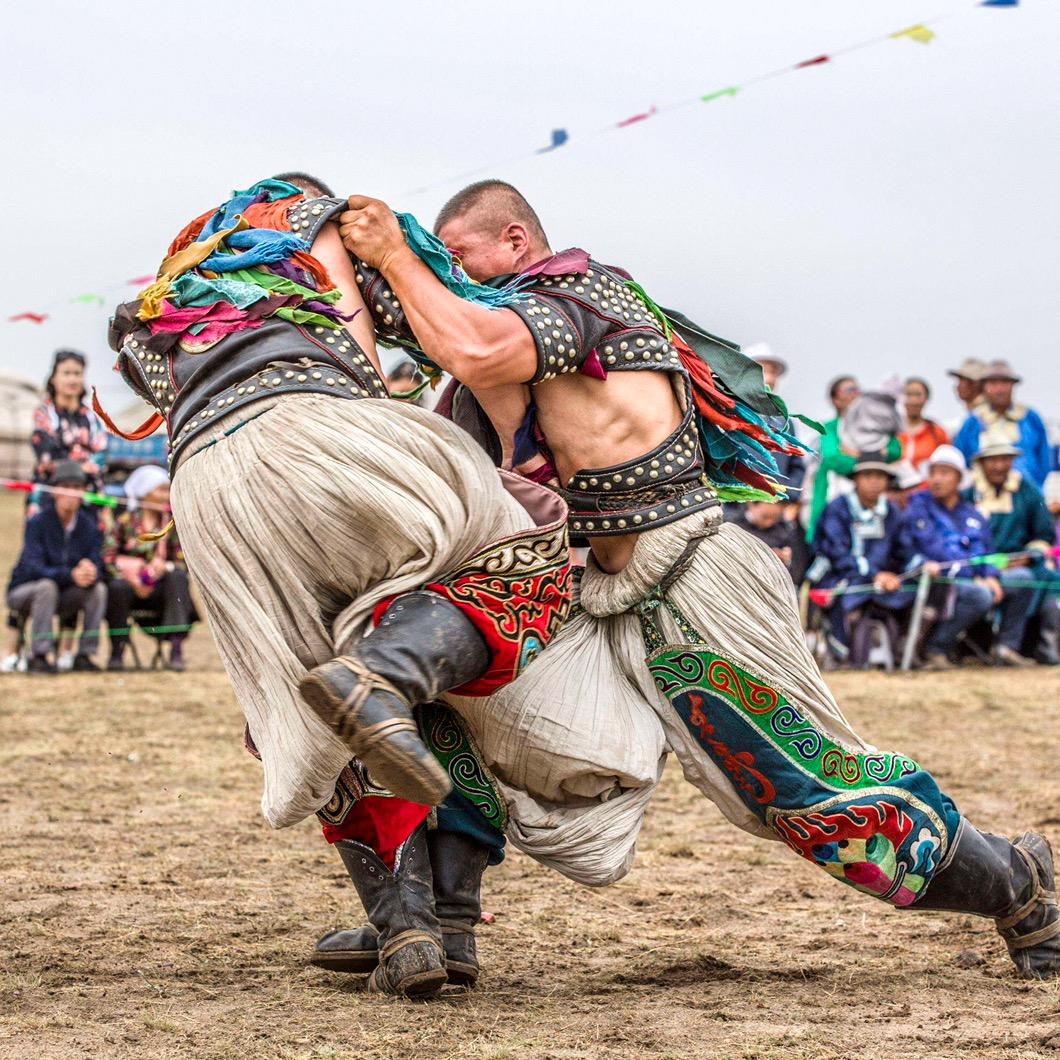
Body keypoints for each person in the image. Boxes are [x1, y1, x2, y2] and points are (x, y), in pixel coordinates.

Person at [329, 180, 1060, 980]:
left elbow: (473, 342)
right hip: (592, 593)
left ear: (514, 241)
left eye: (460, 254)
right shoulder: (490, 348)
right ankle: (438, 924)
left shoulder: (581, 295)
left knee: (808, 795)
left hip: (692, 577)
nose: (450, 272)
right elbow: (424, 343)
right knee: (434, 688)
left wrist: (396, 254)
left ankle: (1020, 886)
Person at [106, 178, 576, 997]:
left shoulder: (170, 287)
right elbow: (365, 363)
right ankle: (389, 679)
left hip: (208, 491)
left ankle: (410, 932)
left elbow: (150, 378)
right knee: (528, 529)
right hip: (320, 433)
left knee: (302, 693)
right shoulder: (311, 222)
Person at [903, 445, 1008, 668]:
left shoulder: (972, 513)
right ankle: (935, 648)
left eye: (944, 473)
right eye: (933, 473)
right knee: (980, 596)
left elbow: (987, 550)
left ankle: (1006, 648)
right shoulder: (918, 505)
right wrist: (974, 576)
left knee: (1023, 581)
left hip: (971, 579)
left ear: (959, 479)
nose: (936, 479)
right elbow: (934, 549)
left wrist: (990, 574)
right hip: (935, 580)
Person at [6, 460, 106, 673]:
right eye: (66, 487)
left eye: (77, 487)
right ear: (54, 491)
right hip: (25, 591)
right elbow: (32, 568)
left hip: (65, 594)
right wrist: (71, 575)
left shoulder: (88, 525)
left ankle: (85, 654)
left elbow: (98, 560)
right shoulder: (38, 522)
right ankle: (39, 655)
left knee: (98, 590)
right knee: (46, 586)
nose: (71, 493)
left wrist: (91, 570)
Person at [811, 454, 911, 664]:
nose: (874, 481)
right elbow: (835, 552)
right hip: (841, 576)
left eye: (880, 476)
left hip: (886, 581)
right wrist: (875, 574)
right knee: (848, 601)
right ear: (855, 479)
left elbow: (903, 550)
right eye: (867, 475)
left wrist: (897, 575)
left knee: (917, 594)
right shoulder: (837, 508)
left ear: (887, 481)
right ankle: (844, 651)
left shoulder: (892, 511)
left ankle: (905, 652)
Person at [965, 439, 1057, 666]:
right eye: (992, 460)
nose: (998, 466)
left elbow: (1044, 534)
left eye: (1004, 459)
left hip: (1021, 563)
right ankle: (976, 645)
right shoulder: (969, 495)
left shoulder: (1028, 492)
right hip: (977, 566)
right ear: (982, 463)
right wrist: (985, 567)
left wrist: (1026, 557)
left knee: (1047, 581)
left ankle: (1037, 646)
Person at [103, 464, 194, 672]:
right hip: (129, 589)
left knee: (178, 579)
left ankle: (176, 651)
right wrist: (131, 578)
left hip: (161, 591)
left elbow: (183, 561)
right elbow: (108, 558)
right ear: (145, 493)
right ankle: (116, 652)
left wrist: (166, 566)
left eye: (166, 490)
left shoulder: (170, 525)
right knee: (116, 587)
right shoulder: (124, 523)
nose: (165, 496)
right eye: (160, 490)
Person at [805, 376, 902, 541]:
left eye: (858, 389)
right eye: (849, 390)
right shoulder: (830, 428)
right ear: (835, 399)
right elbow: (833, 458)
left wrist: (857, 455)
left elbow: (895, 450)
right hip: (834, 498)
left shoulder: (875, 424)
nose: (855, 394)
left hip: (873, 501)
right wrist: (874, 458)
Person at [30, 349, 108, 516]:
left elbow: (101, 452)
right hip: (50, 496)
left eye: (77, 373)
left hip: (87, 497)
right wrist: (82, 465)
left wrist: (80, 465)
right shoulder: (44, 414)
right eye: (66, 373)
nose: (72, 379)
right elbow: (47, 455)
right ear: (54, 378)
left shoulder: (90, 417)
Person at [954, 360, 1052, 489]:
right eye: (993, 383)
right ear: (984, 387)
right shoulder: (973, 421)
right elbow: (961, 459)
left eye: (1005, 383)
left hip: (1028, 492)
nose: (999, 389)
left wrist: (1033, 487)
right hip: (982, 495)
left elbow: (1044, 459)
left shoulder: (1029, 417)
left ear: (1013, 385)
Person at [728, 501, 796, 578]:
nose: (769, 523)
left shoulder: (784, 530)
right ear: (751, 504)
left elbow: (795, 570)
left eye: (775, 518)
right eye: (765, 517)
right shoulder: (733, 527)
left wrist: (786, 561)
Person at [899, 377, 949, 475]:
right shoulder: (891, 431)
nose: (913, 400)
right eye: (908, 394)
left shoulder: (936, 432)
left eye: (918, 395)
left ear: (926, 399)